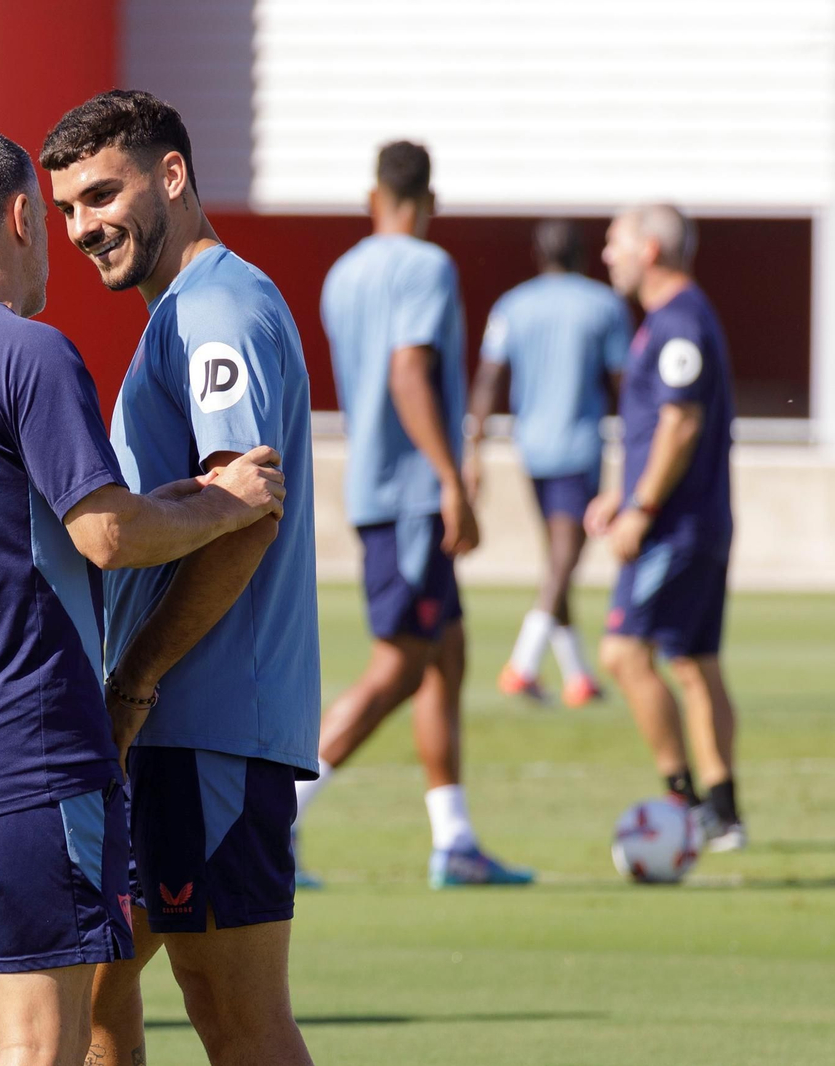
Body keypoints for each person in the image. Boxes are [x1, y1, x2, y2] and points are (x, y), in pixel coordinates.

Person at [0, 127, 287, 1066]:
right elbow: (106, 536)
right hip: (26, 750)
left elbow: (18, 523)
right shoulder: (30, 353)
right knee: (41, 1041)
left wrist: (156, 505)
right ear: (17, 218)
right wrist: (221, 501)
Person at [43, 88, 320, 1066]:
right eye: (69, 208)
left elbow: (247, 512)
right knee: (95, 991)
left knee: (236, 1020)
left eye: (102, 195)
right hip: (165, 726)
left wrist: (136, 680)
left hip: (206, 724)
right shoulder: (182, 314)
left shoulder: (216, 312)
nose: (83, 227)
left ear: (172, 175)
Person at [303, 140, 534, 890]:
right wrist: (451, 478)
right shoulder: (428, 266)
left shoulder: (342, 273)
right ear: (429, 202)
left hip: (379, 486)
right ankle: (271, 819)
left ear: (375, 195)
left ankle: (454, 839)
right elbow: (408, 371)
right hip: (410, 493)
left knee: (447, 651)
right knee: (401, 661)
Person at [588, 204, 744, 850]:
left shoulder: (678, 321)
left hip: (674, 528)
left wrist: (641, 509)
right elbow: (656, 426)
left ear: (650, 250)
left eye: (615, 242)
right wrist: (616, 494)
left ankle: (681, 804)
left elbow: (680, 424)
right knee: (693, 661)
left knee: (623, 654)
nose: (606, 255)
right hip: (696, 522)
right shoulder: (670, 320)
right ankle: (723, 813)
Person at [468, 219, 632, 706]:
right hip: (579, 447)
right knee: (565, 558)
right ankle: (523, 663)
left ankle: (578, 676)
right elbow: (627, 384)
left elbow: (486, 380)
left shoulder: (513, 305)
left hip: (532, 448)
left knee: (559, 559)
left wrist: (473, 447)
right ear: (583, 254)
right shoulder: (605, 306)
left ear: (538, 254)